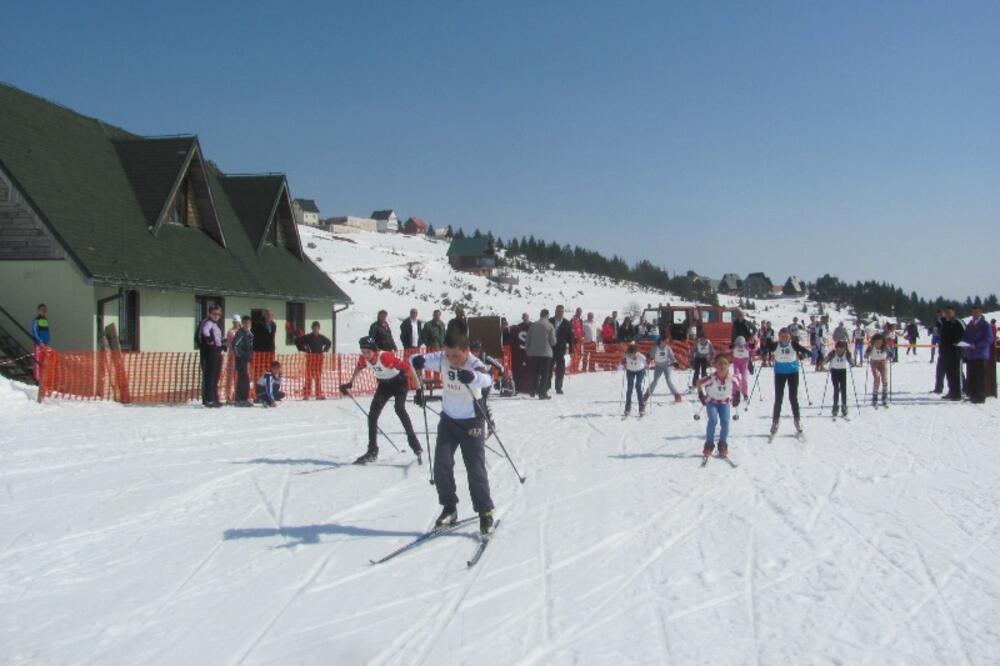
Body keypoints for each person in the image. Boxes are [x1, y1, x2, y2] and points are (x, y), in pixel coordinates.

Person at [410, 329, 497, 537]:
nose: (452, 360)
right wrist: (419, 362)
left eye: (456, 356)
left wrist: (473, 376)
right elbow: (413, 358)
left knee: (475, 469)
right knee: (441, 464)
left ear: (466, 351)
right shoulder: (442, 357)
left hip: (471, 422)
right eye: (448, 355)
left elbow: (487, 380)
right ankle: (450, 508)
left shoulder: (475, 364)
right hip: (448, 420)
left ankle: (485, 512)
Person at [340, 336, 423, 464]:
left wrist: (418, 389)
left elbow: (408, 368)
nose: (366, 355)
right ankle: (372, 450)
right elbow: (359, 366)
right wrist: (350, 383)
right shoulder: (364, 358)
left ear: (374, 350)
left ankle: (414, 443)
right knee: (372, 415)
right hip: (384, 385)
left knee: (399, 408)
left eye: (368, 352)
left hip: (399, 382)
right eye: (363, 352)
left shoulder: (384, 357)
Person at [763, 327, 811, 435]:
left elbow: (807, 352)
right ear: (779, 337)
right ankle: (775, 422)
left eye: (786, 336)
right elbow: (764, 349)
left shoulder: (793, 344)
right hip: (779, 373)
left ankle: (797, 420)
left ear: (790, 336)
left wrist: (802, 355)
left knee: (793, 397)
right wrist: (763, 350)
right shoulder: (775, 345)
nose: (784, 338)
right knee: (778, 398)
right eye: (782, 336)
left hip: (792, 373)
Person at [698, 355, 741, 459]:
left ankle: (722, 444)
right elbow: (699, 382)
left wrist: (737, 396)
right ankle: (709, 444)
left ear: (728, 366)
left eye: (725, 364)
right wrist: (701, 395)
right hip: (712, 402)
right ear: (715, 366)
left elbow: (739, 383)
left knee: (725, 422)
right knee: (713, 420)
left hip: (724, 402)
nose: (722, 366)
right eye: (720, 364)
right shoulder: (711, 378)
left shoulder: (732, 377)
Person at [963, 304, 995, 404]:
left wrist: (976, 345)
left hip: (980, 354)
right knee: (972, 375)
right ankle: (972, 395)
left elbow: (989, 339)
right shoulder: (970, 324)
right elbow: (966, 336)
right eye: (973, 312)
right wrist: (965, 343)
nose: (974, 314)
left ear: (980, 312)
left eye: (976, 312)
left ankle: (980, 396)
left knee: (979, 376)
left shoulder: (985, 324)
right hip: (971, 354)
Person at [470, 340, 506, 426]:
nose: (475, 353)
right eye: (473, 351)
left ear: (480, 350)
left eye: (477, 351)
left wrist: (499, 379)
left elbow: (501, 367)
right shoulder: (469, 357)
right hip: (475, 383)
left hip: (486, 383)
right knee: (472, 402)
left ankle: (490, 423)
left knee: (483, 403)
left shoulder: (486, 356)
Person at [525, 309, 556, 399]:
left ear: (540, 315)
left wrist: (528, 351)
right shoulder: (550, 326)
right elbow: (553, 342)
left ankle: (532, 390)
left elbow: (528, 340)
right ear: (547, 315)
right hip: (546, 354)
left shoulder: (533, 325)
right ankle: (542, 393)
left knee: (534, 372)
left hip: (533, 353)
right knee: (545, 374)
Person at [819, 340, 855, 417]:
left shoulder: (846, 353)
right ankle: (835, 407)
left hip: (842, 371)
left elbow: (851, 362)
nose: (840, 350)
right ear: (836, 348)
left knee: (843, 389)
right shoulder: (833, 353)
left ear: (844, 348)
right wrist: (822, 365)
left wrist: (851, 360)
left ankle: (844, 406)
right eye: (838, 348)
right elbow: (826, 360)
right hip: (834, 372)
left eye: (842, 348)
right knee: (836, 389)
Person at [296, 321, 331, 399]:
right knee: (309, 377)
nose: (315, 329)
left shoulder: (322, 337)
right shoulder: (307, 337)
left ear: (319, 329)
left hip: (319, 360)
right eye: (314, 328)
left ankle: (318, 395)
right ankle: (306, 395)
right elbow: (298, 341)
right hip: (310, 360)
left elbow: (329, 342)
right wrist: (303, 348)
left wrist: (325, 349)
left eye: (317, 328)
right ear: (312, 328)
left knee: (318, 378)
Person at [197, 306, 224, 408]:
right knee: (210, 376)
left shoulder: (215, 324)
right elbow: (205, 331)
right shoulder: (208, 322)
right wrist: (209, 340)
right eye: (214, 314)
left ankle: (213, 398)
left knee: (216, 375)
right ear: (209, 313)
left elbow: (217, 337)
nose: (217, 316)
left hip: (216, 350)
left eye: (218, 314)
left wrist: (222, 344)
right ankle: (209, 400)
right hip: (211, 352)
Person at [644, 336, 683, 403]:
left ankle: (677, 395)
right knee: (655, 381)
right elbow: (650, 355)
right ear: (661, 341)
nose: (666, 343)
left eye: (667, 342)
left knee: (668, 380)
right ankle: (647, 394)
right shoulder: (655, 348)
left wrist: (675, 362)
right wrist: (648, 356)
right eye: (665, 341)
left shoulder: (667, 348)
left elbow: (672, 357)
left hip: (666, 366)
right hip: (658, 366)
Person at [938, 307, 965, 400]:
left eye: (950, 313)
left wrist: (957, 343)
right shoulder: (944, 323)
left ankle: (958, 393)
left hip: (956, 353)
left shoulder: (958, 322)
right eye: (946, 313)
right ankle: (952, 392)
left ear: (954, 313)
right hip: (945, 353)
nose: (948, 314)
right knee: (949, 374)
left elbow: (964, 335)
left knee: (957, 374)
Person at [550, 305, 574, 394]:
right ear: (555, 311)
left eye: (562, 312)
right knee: (549, 368)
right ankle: (547, 385)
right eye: (559, 311)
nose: (560, 313)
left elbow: (569, 337)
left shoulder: (567, 323)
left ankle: (558, 387)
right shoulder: (550, 321)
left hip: (561, 349)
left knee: (560, 370)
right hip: (550, 349)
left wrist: (571, 350)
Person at [620, 342, 648, 417]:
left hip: (640, 371)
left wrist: (647, 366)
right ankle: (627, 408)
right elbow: (621, 363)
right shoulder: (626, 355)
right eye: (631, 354)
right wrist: (621, 366)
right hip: (630, 371)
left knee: (638, 386)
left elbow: (646, 362)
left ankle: (641, 408)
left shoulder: (640, 356)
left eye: (634, 354)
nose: (633, 356)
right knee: (629, 389)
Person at [232, 316, 254, 407]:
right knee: (243, 379)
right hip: (241, 360)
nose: (247, 325)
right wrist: (242, 355)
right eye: (245, 323)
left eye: (249, 323)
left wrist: (249, 356)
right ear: (243, 323)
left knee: (245, 379)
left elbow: (249, 346)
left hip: (246, 359)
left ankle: (243, 398)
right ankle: (240, 399)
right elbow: (235, 346)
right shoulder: (240, 333)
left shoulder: (247, 334)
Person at [865, 333, 891, 407]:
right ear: (873, 342)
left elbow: (891, 353)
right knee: (877, 378)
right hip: (874, 363)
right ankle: (875, 397)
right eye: (876, 342)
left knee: (884, 379)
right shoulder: (871, 347)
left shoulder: (885, 347)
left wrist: (890, 354)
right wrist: (867, 353)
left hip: (883, 362)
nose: (878, 344)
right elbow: (865, 355)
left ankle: (884, 397)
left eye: (880, 342)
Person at [30, 303, 50, 383]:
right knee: (38, 361)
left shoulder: (45, 320)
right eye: (42, 309)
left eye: (45, 309)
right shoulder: (36, 320)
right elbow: (35, 331)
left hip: (45, 344)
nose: (44, 311)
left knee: (44, 360)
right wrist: (39, 341)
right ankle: (37, 379)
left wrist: (47, 341)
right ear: (39, 311)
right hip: (39, 344)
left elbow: (47, 332)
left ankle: (43, 377)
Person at [223, 314, 241, 402]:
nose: (236, 323)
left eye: (237, 322)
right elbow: (229, 344)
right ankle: (228, 396)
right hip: (232, 356)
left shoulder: (242, 332)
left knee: (239, 377)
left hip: (240, 357)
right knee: (230, 377)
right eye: (234, 322)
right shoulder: (230, 332)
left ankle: (237, 395)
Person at [730, 336, 752, 400]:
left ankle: (745, 393)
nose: (740, 346)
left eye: (741, 345)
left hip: (744, 364)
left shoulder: (746, 346)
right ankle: (734, 393)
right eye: (738, 345)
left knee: (744, 379)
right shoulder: (734, 346)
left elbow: (753, 348)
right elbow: (728, 349)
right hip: (736, 363)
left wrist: (752, 345)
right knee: (736, 378)